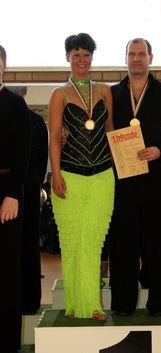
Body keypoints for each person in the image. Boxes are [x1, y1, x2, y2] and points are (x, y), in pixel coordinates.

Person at [108, 38, 161, 316]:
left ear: (150, 57)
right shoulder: (113, 93)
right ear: (125, 57)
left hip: (154, 177)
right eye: (132, 54)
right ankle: (123, 305)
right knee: (123, 242)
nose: (137, 58)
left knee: (157, 241)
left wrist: (159, 149)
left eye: (142, 54)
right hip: (123, 178)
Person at [49, 33, 114, 320]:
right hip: (70, 176)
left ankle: (94, 305)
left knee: (93, 240)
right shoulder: (59, 94)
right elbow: (53, 137)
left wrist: (127, 159)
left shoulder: (104, 91)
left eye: (87, 55)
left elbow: (110, 131)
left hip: (103, 175)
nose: (82, 60)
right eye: (76, 55)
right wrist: (56, 174)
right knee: (72, 240)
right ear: (67, 58)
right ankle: (75, 304)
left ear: (92, 58)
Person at [0, 45, 31, 353]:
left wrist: (12, 194)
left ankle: (7, 343)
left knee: (6, 270)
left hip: (6, 194)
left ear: (4, 67)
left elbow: (23, 155)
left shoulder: (15, 105)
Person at [8, 86, 48, 313]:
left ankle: (28, 301)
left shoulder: (33, 122)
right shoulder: (36, 121)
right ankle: (30, 301)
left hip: (24, 189)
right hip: (29, 188)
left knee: (26, 245)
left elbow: (40, 159)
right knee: (29, 245)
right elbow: (42, 162)